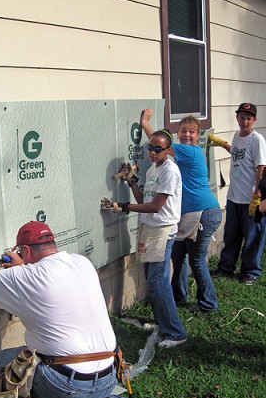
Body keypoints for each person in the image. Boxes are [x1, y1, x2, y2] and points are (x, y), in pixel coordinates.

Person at [0, 221, 140, 398]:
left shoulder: (26, 277)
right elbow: (47, 278)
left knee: (3, 363)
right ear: (52, 244)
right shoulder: (82, 262)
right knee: (69, 383)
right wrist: (24, 265)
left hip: (66, 382)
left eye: (21, 251)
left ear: (27, 250)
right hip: (109, 375)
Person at [101, 129, 187, 348]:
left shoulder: (170, 171)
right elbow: (144, 198)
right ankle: (164, 325)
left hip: (162, 231)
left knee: (158, 283)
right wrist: (131, 181)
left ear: (168, 150)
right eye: (150, 148)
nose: (152, 152)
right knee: (153, 280)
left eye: (158, 149)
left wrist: (123, 207)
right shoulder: (152, 170)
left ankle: (175, 333)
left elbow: (156, 206)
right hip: (149, 229)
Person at [141, 110, 222, 312]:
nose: (187, 134)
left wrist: (144, 123)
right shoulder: (184, 154)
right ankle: (179, 296)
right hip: (187, 216)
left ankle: (209, 303)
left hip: (202, 212)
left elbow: (159, 143)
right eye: (183, 131)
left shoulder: (190, 151)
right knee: (178, 256)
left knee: (196, 259)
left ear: (198, 135)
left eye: (191, 131)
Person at [208, 102, 266, 285]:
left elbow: (261, 167)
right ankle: (226, 267)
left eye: (249, 118)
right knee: (231, 235)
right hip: (233, 197)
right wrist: (223, 144)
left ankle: (251, 271)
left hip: (251, 199)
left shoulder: (257, 140)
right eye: (242, 118)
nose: (245, 122)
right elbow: (237, 153)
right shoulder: (237, 136)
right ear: (237, 118)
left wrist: (258, 193)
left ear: (254, 120)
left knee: (252, 236)